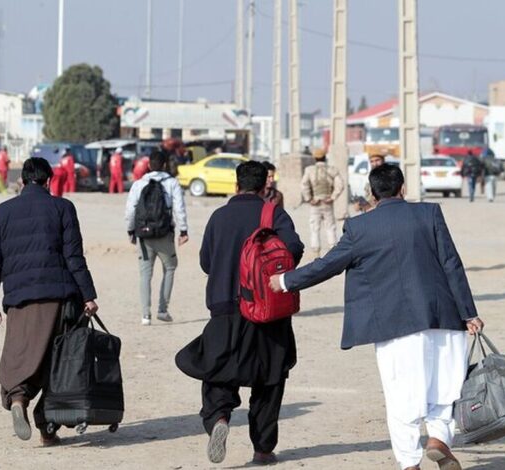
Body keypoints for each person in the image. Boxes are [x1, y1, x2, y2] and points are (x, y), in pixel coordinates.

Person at [269, 164, 483, 470]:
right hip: (443, 316)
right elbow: (451, 263)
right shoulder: (430, 213)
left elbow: (327, 265)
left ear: (371, 193)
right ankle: (438, 440)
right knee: (444, 387)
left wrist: (286, 281)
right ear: (403, 188)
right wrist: (469, 312)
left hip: (394, 324)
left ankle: (409, 462)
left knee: (401, 396)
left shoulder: (359, 228)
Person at [175, 161, 304, 465]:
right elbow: (294, 250)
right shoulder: (273, 214)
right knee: (269, 378)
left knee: (218, 371)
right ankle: (262, 448)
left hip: (224, 308)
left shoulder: (218, 217)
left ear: (236, 186)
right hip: (267, 309)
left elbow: (207, 262)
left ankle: (219, 418)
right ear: (264, 187)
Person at [0, 157, 99, 446]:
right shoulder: (63, 208)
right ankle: (48, 429)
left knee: (22, 353)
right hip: (59, 298)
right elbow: (74, 257)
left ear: (22, 181)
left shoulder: (2, 212)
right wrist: (89, 295)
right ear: (48, 181)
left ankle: (19, 398)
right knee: (58, 363)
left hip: (19, 299)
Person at [125, 150, 189, 326]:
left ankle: (145, 315)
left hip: (143, 236)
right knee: (170, 267)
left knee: (145, 274)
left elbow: (130, 210)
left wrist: (131, 231)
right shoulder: (172, 183)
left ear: (148, 165)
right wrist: (183, 231)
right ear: (165, 165)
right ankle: (162, 309)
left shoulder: (139, 183)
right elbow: (179, 208)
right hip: (164, 233)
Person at [301, 148, 344, 258]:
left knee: (314, 228)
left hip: (315, 203)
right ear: (325, 157)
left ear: (315, 158)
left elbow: (304, 185)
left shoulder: (309, 170)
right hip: (327, 202)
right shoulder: (332, 169)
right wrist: (333, 197)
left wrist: (309, 199)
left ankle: (316, 254)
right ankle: (333, 253)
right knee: (330, 227)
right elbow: (340, 185)